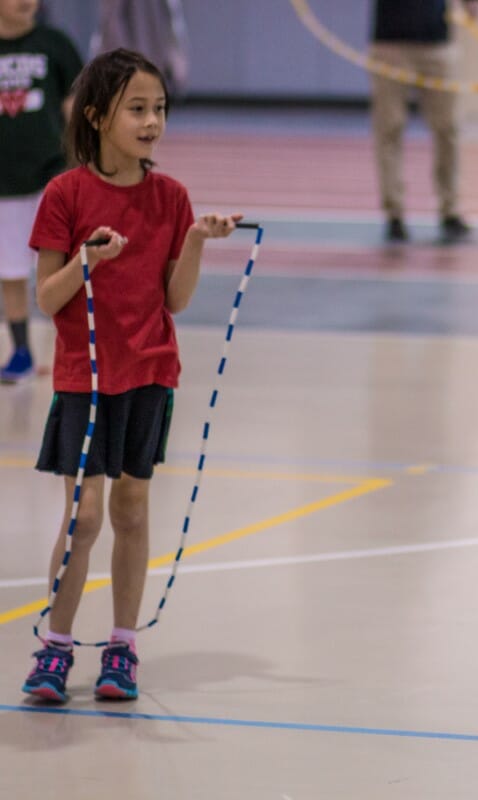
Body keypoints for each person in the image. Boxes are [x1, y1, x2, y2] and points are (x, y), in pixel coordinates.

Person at [21, 48, 242, 703]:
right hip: (82, 378)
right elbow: (47, 299)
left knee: (133, 509)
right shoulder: (65, 195)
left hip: (149, 373)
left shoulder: (170, 197)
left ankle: (123, 647)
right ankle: (55, 650)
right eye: (137, 109)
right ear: (97, 116)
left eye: (160, 109)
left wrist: (197, 240)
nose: (152, 122)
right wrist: (86, 262)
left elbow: (174, 300)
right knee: (84, 516)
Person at [0, 0, 83, 384]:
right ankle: (20, 352)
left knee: (65, 268)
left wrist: (85, 156)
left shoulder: (55, 44)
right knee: (11, 271)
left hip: (53, 177)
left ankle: (74, 351)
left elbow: (74, 105)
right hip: (4, 184)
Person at [369, 0, 478, 244]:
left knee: (448, 129)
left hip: (436, 42)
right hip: (390, 44)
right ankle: (394, 214)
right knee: (389, 128)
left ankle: (449, 210)